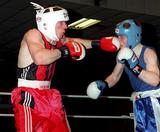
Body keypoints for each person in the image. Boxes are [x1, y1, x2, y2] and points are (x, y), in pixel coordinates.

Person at [10, 2, 120, 132]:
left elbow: (73, 41)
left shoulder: (57, 40)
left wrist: (98, 43)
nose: (66, 26)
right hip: (28, 95)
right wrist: (64, 51)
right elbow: (40, 58)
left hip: (49, 95)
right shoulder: (33, 34)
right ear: (49, 23)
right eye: (61, 23)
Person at [86, 19, 160, 132]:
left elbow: (155, 80)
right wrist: (104, 84)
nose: (119, 40)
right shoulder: (123, 54)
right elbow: (115, 76)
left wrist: (134, 65)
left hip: (154, 101)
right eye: (118, 37)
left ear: (133, 36)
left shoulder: (148, 52)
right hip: (139, 102)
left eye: (122, 37)